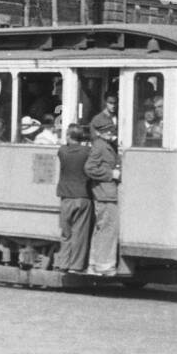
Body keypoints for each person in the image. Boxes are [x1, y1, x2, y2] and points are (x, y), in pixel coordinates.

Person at [85, 113, 122, 277]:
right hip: (105, 193)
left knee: (101, 229)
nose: (110, 132)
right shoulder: (99, 146)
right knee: (108, 229)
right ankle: (104, 266)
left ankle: (95, 264)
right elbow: (89, 168)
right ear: (98, 132)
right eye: (106, 130)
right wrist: (111, 174)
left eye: (110, 129)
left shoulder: (104, 144)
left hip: (104, 193)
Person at [55, 125, 94, 273]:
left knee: (66, 233)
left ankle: (63, 263)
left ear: (68, 136)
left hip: (66, 197)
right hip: (83, 196)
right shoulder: (87, 152)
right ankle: (76, 265)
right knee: (80, 234)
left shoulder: (62, 151)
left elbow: (65, 146)